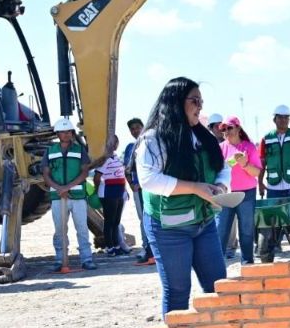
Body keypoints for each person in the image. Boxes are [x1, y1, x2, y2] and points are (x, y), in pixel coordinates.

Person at [136, 77, 230, 314]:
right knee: (178, 291)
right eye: (194, 100)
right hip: (168, 228)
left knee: (219, 286)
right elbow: (148, 179)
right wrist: (196, 187)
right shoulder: (153, 139)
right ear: (176, 102)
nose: (200, 106)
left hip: (204, 223)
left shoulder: (203, 136)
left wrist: (221, 186)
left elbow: (223, 167)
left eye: (201, 101)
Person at [45, 117, 105, 271]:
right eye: (62, 132)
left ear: (72, 133)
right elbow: (46, 174)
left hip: (78, 197)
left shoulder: (79, 151)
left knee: (82, 228)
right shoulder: (50, 151)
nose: (66, 134)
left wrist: (67, 187)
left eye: (68, 131)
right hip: (58, 197)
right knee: (59, 231)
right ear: (57, 134)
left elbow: (85, 172)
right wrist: (59, 188)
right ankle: (60, 259)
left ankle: (87, 259)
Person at [258, 104, 290, 257]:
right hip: (274, 187)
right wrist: (260, 183)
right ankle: (273, 246)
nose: (283, 120)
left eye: (286, 117)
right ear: (274, 119)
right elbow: (262, 163)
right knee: (272, 219)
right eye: (280, 117)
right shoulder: (266, 139)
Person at [217, 116, 261, 264]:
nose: (226, 131)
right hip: (226, 194)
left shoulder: (249, 147)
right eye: (223, 129)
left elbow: (256, 173)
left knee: (246, 231)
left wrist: (244, 163)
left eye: (229, 127)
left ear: (238, 128)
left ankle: (247, 263)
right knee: (221, 230)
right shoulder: (221, 148)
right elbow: (216, 171)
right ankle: (216, 266)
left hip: (246, 193)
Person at [123, 117, 154, 265]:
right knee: (143, 220)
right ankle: (146, 248)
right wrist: (132, 185)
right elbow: (127, 170)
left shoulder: (151, 143)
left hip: (153, 188)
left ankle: (154, 248)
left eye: (137, 127)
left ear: (143, 127)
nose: (135, 130)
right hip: (139, 191)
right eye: (132, 129)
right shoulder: (130, 147)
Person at [94, 134, 130, 256]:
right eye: (111, 142)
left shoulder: (116, 157)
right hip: (108, 192)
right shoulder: (104, 159)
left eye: (115, 142)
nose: (114, 144)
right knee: (109, 221)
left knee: (116, 221)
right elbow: (97, 177)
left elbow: (121, 175)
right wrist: (96, 191)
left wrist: (125, 191)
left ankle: (116, 245)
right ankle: (109, 247)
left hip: (119, 192)